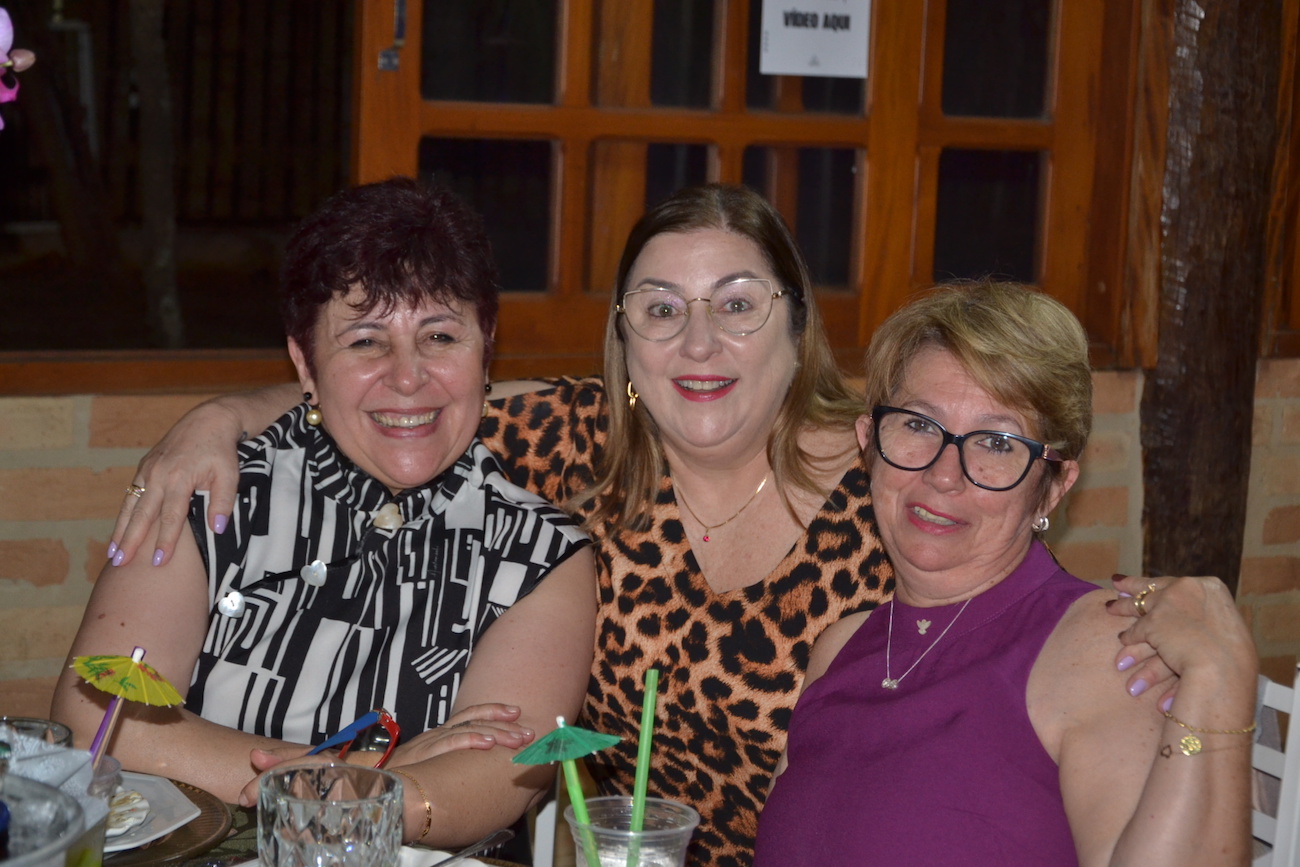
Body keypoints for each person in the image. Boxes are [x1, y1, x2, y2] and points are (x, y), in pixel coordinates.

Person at [104, 186, 1184, 867]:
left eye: (737, 304)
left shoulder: (898, 473)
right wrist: (214, 421)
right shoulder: (577, 444)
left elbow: (1001, 627)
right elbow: (404, 396)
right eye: (662, 309)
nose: (698, 342)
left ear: (797, 326)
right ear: (625, 341)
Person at [52, 177, 597, 850]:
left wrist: (327, 784)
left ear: (486, 346)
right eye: (365, 341)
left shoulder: (539, 552)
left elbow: (497, 774)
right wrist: (365, 773)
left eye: (440, 336)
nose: (408, 376)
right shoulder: (212, 492)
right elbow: (98, 719)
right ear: (305, 364)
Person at [753, 281, 1257, 866]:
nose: (944, 475)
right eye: (918, 425)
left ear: (1054, 487)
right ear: (868, 443)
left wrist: (1220, 682)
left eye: (996, 442)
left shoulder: (1102, 651)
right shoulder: (841, 647)